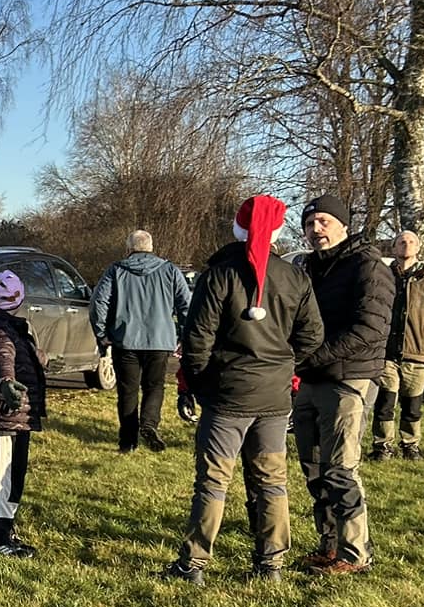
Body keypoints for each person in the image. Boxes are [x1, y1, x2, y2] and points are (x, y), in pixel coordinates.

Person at [162, 195, 324, 586]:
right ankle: (272, 564)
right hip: (273, 397)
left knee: (213, 481)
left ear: (238, 228)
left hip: (227, 396)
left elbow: (197, 338)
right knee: (272, 481)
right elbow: (312, 336)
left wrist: (198, 382)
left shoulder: (219, 275)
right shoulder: (295, 277)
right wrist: (284, 366)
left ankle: (194, 564)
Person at [294, 194, 392, 575]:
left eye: (323, 221)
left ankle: (355, 553)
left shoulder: (368, 265)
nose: (315, 229)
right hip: (311, 379)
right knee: (314, 468)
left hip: (349, 379)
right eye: (309, 223)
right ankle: (329, 544)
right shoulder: (309, 268)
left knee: (340, 469)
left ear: (344, 225)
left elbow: (369, 328)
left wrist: (311, 357)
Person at [90, 228, 192, 453]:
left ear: (129, 248)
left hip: (125, 339)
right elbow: (186, 304)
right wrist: (185, 335)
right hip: (160, 339)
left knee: (127, 390)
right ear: (151, 247)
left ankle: (128, 441)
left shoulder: (115, 270)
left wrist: (102, 333)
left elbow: (99, 303)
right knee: (154, 386)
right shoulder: (170, 270)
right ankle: (149, 424)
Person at [0, 270, 47, 557]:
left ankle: (7, 532)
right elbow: (2, 356)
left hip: (16, 416)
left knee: (13, 477)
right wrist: (6, 382)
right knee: (2, 479)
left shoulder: (9, 326)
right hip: (2, 414)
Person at [373, 230, 424, 461]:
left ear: (418, 247)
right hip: (387, 353)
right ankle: (382, 446)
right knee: (385, 402)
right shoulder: (384, 278)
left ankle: (410, 445)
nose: (406, 245)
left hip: (417, 354)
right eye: (401, 242)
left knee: (412, 404)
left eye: (411, 242)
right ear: (394, 248)